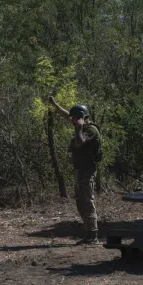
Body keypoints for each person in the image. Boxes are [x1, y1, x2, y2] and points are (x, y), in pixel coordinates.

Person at [48, 96, 102, 245]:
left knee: (87, 201)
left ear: (82, 118)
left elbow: (79, 143)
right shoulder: (81, 125)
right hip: (80, 171)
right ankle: (88, 232)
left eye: (75, 119)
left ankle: (93, 235)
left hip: (88, 171)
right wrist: (55, 105)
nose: (71, 121)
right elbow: (67, 115)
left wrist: (79, 126)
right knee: (80, 202)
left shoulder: (91, 130)